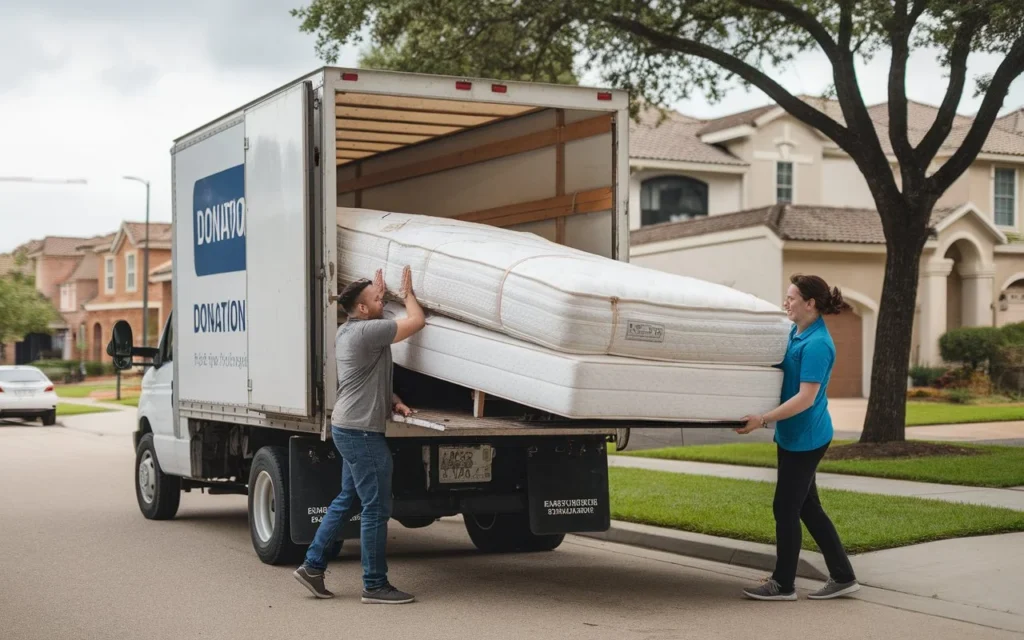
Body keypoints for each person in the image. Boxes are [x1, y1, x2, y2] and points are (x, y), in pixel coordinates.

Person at [294, 265, 426, 604]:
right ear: (363, 310)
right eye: (377, 299)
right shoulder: (369, 332)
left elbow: (368, 376)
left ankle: (312, 566)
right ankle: (374, 584)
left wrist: (393, 400)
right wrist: (407, 294)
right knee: (376, 508)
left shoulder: (353, 331)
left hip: (350, 427)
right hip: (361, 434)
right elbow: (416, 322)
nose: (384, 300)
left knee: (346, 499)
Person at [735, 274, 859, 601]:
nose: (786, 302)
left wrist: (762, 420)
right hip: (791, 435)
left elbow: (805, 397)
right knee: (808, 508)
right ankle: (844, 576)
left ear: (810, 303)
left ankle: (783, 583)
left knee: (785, 507)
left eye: (791, 298)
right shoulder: (796, 332)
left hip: (807, 438)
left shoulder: (818, 344)